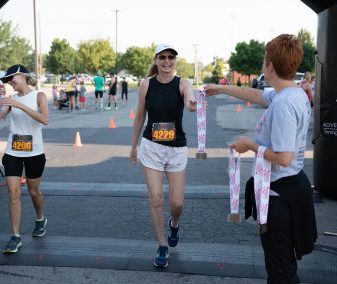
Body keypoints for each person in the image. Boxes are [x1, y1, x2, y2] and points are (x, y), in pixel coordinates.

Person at [204, 34, 317, 283]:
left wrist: (250, 145)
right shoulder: (291, 93)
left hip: (280, 196)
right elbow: (254, 95)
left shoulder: (285, 103)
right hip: (284, 189)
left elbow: (284, 157)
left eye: (265, 60)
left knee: (280, 270)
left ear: (269, 65)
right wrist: (221, 88)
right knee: (281, 266)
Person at [129, 44, 197, 268]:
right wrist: (133, 146)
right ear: (156, 60)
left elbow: (189, 102)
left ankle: (174, 223)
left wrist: (193, 104)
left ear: (175, 61)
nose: (167, 61)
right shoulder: (146, 85)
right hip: (151, 147)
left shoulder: (183, 84)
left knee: (177, 203)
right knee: (156, 198)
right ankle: (161, 245)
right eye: (163, 57)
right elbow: (139, 117)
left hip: (176, 148)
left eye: (171, 57)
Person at [0, 64, 49, 254]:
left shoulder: (39, 96)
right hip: (13, 152)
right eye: (7, 81)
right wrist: (0, 100)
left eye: (11, 79)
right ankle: (15, 236)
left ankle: (40, 219)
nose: (9, 83)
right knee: (13, 193)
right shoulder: (10, 99)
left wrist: (20, 105)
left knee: (33, 192)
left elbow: (45, 119)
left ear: (21, 75)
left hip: (35, 153)